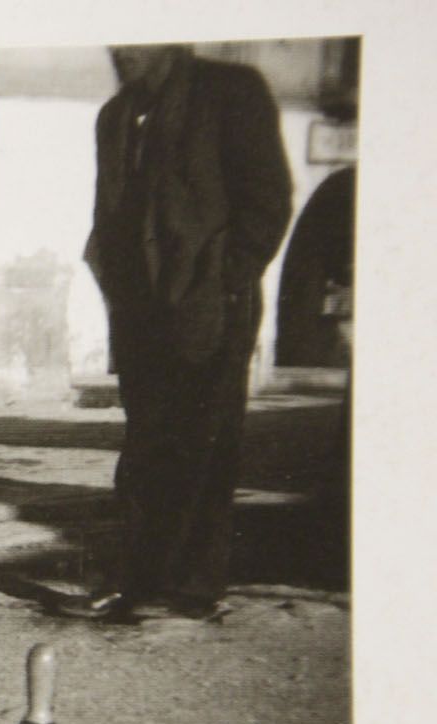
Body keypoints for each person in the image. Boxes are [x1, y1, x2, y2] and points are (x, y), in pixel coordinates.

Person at [59, 45, 293, 622]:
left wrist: (226, 279)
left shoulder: (230, 91)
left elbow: (268, 201)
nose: (118, 50)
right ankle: (136, 580)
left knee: (206, 443)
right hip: (140, 310)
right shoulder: (115, 116)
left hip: (211, 302)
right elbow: (109, 213)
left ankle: (195, 586)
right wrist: (112, 282)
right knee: (145, 446)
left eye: (132, 39)